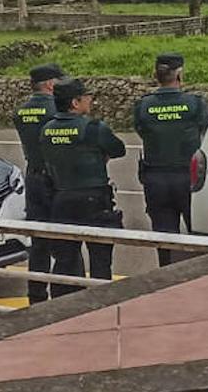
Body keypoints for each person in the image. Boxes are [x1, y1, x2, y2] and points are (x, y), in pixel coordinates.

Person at [40, 77, 125, 296]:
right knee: (100, 260)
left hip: (62, 199)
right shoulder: (93, 128)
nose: (91, 100)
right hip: (94, 200)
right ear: (75, 103)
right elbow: (118, 149)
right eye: (86, 97)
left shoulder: (47, 129)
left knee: (64, 261)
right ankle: (101, 304)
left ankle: (61, 307)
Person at [133, 53, 208, 266]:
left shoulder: (143, 106)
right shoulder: (194, 103)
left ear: (155, 75)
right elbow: (205, 128)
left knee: (164, 238)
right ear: (179, 75)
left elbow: (141, 131)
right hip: (189, 178)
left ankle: (167, 277)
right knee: (198, 236)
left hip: (155, 178)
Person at [11, 63, 65, 304]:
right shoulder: (56, 109)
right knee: (65, 240)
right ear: (51, 84)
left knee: (39, 241)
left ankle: (36, 295)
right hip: (55, 178)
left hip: (32, 176)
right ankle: (65, 294)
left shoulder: (21, 111)